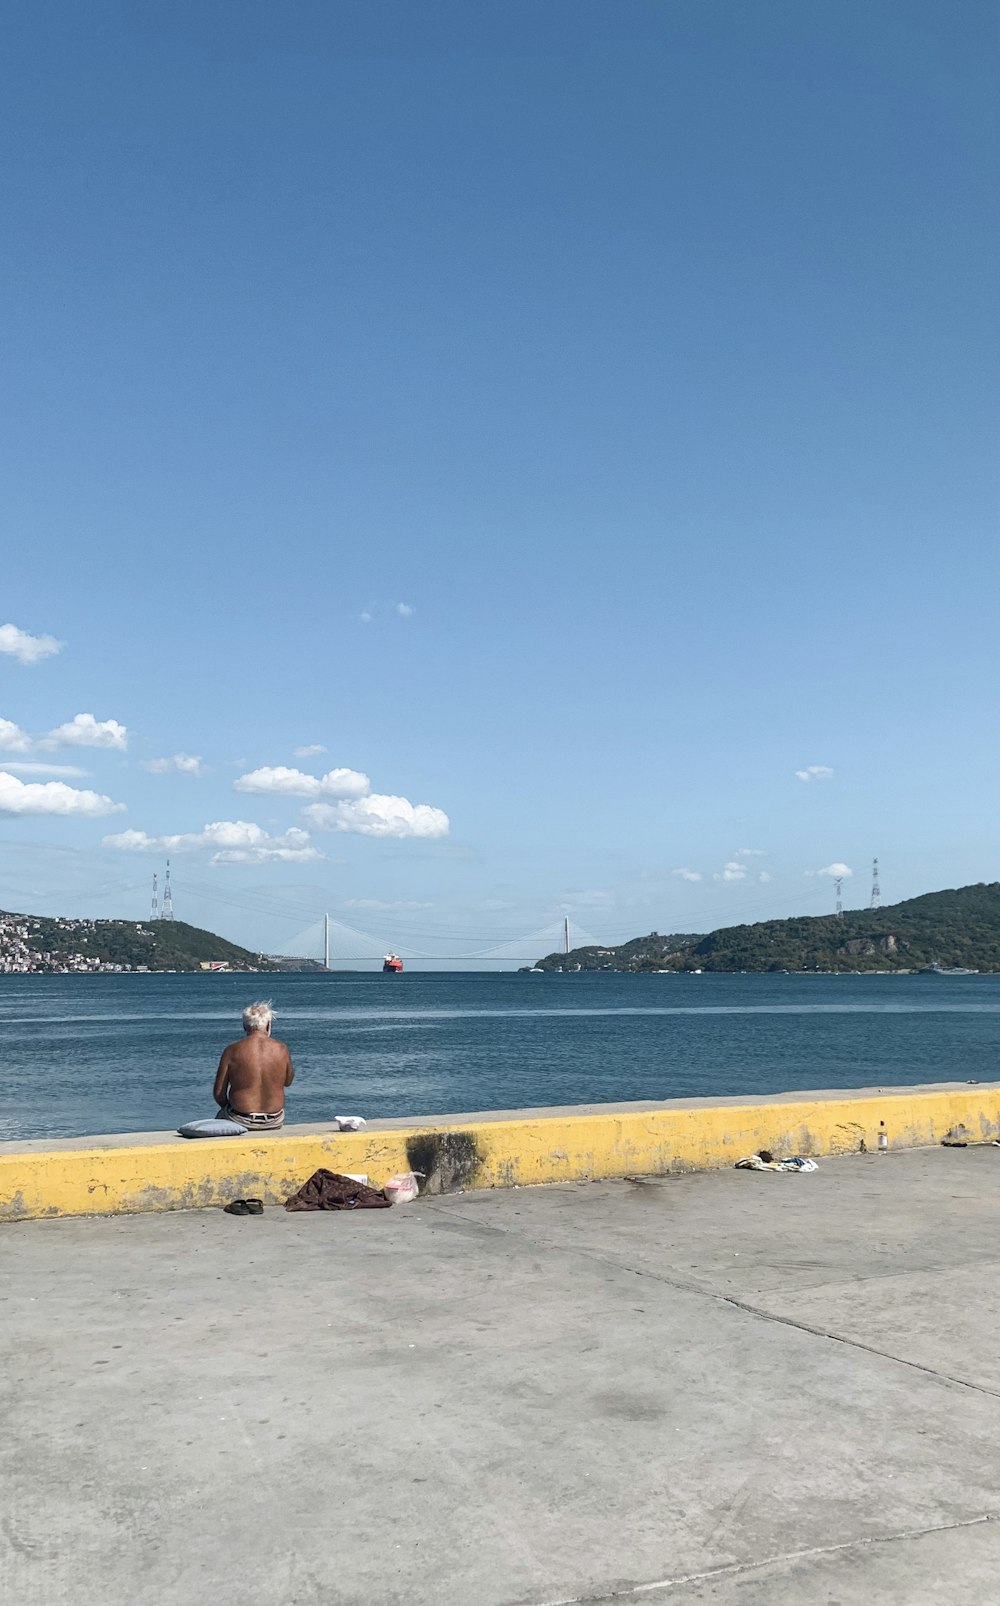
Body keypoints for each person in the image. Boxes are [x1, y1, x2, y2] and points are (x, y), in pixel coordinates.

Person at [212, 1001, 294, 1132]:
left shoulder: (232, 1050)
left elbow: (219, 1094)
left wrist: (230, 1106)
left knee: (217, 1122)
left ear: (245, 1025)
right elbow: (288, 1082)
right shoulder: (282, 1049)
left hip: (239, 1119)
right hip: (274, 1120)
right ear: (268, 1025)